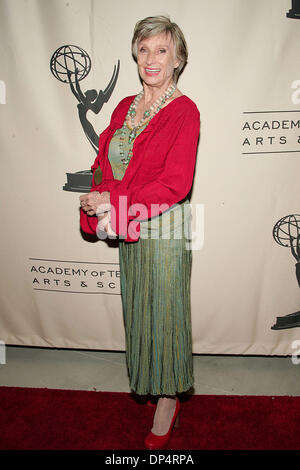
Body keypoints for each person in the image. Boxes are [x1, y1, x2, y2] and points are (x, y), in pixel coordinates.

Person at [79, 15, 200, 450]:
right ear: (135, 54)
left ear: (178, 59)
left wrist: (116, 203)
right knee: (139, 308)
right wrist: (99, 194)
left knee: (166, 314)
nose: (152, 59)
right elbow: (106, 164)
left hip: (165, 227)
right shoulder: (125, 105)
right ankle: (153, 380)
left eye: (162, 50)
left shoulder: (185, 111)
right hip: (128, 224)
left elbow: (175, 183)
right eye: (144, 49)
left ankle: (170, 400)